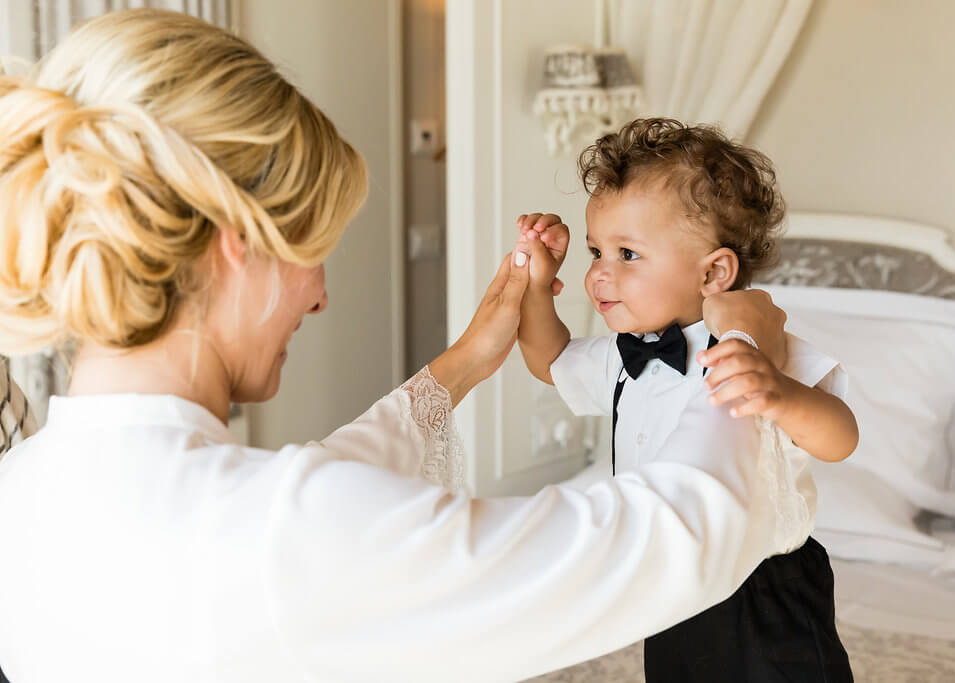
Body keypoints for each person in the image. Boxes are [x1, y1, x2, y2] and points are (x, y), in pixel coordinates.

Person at [0, 11, 789, 683]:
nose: (320, 293)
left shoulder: (23, 493)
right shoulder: (287, 532)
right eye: (312, 247)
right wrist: (744, 342)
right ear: (235, 243)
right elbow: (665, 536)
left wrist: (465, 363)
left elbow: (316, 490)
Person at [515, 118, 858, 682]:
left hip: (763, 587)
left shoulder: (758, 346)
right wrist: (535, 285)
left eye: (628, 254)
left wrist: (779, 394)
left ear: (714, 273)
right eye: (596, 251)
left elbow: (840, 436)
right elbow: (548, 360)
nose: (600, 273)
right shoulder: (625, 356)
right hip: (672, 578)